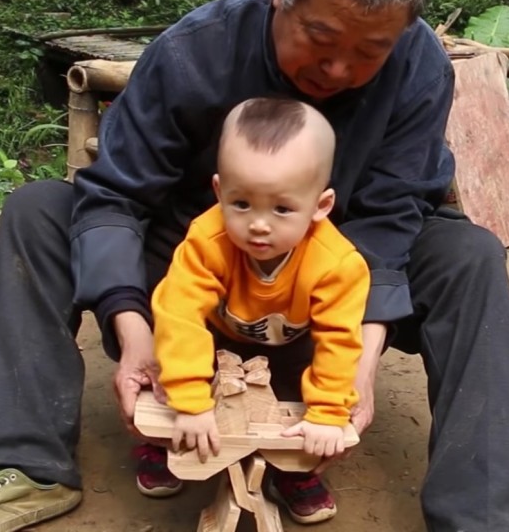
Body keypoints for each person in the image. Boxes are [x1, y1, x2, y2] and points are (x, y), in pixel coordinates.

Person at [0, 0, 509, 532]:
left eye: (370, 51)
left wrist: (358, 365)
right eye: (320, 39)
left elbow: (391, 218)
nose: (340, 69)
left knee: (469, 256)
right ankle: (24, 468)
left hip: (326, 292)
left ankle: (479, 517)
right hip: (192, 280)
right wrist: (136, 334)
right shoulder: (195, 51)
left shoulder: (420, 63)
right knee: (39, 211)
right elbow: (116, 197)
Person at [152, 97, 368, 522]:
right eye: (242, 203)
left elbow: (340, 340)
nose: (259, 224)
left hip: (292, 342)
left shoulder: (338, 263)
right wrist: (191, 402)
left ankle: (292, 469)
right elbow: (179, 313)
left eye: (283, 208)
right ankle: (164, 442)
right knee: (169, 364)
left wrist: (327, 414)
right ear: (219, 191)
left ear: (320, 207)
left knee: (292, 394)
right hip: (218, 336)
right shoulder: (205, 240)